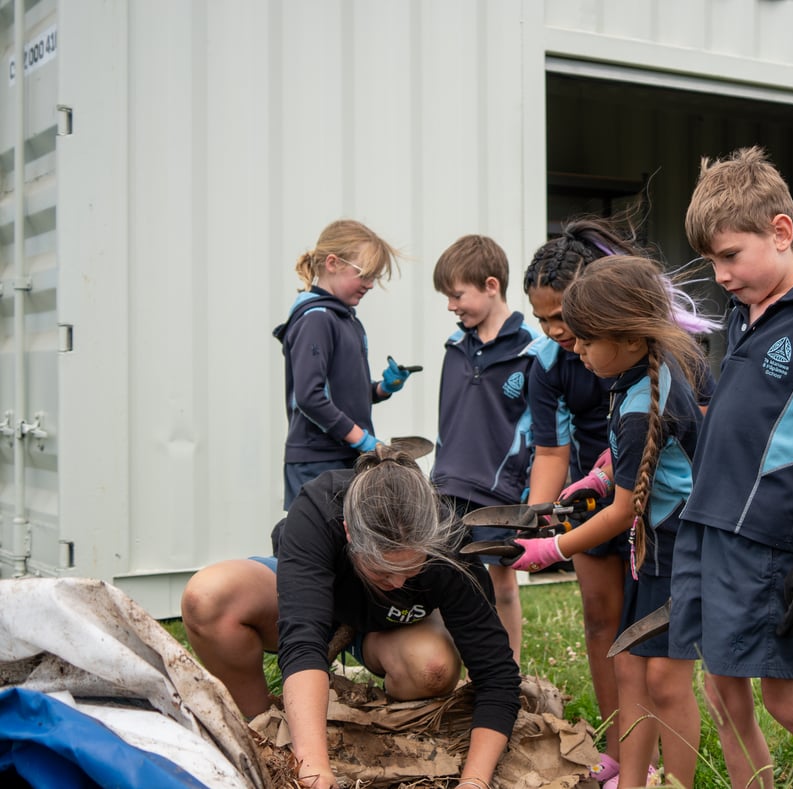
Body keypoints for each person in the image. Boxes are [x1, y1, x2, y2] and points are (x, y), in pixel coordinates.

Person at [673, 146, 793, 789]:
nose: (722, 274)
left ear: (781, 232)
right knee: (724, 697)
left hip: (770, 538)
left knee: (784, 700)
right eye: (712, 262)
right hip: (710, 523)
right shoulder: (741, 312)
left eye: (731, 255)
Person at [180, 447, 521, 789]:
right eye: (384, 571)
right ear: (348, 532)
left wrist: (474, 781)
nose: (398, 581)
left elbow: (496, 675)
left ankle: (377, 713)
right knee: (207, 598)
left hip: (393, 624)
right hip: (318, 603)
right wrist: (314, 771)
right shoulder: (319, 506)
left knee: (433, 668)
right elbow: (302, 641)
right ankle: (267, 731)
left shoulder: (447, 541)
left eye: (410, 569)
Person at [523, 218, 717, 784]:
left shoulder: (642, 404)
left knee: (664, 682)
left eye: (583, 337)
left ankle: (676, 782)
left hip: (676, 552)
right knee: (631, 671)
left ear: (628, 337)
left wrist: (549, 548)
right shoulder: (633, 381)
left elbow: (624, 510)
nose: (574, 348)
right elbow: (627, 462)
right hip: (649, 551)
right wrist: (600, 476)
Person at [430, 234, 545, 661]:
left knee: (501, 582)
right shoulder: (455, 348)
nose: (450, 305)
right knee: (448, 577)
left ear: (491, 285)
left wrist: (529, 494)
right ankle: (453, 666)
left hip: (500, 493)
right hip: (448, 485)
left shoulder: (532, 349)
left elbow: (540, 431)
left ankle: (509, 665)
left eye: (457, 294)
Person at [273, 219, 417, 509]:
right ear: (332, 263)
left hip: (342, 455)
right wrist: (364, 442)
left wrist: (381, 389)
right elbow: (310, 397)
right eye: (364, 274)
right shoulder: (316, 319)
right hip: (317, 462)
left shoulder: (345, 319)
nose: (371, 285)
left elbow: (342, 394)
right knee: (318, 548)